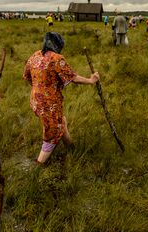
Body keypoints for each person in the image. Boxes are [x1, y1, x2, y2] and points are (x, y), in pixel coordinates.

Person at [23, 32, 99, 165]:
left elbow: (27, 76)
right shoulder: (56, 58)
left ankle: (71, 148)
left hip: (35, 100)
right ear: (58, 44)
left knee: (60, 121)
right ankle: (38, 166)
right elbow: (73, 77)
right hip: (48, 103)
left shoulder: (34, 56)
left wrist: (38, 89)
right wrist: (91, 80)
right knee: (52, 134)